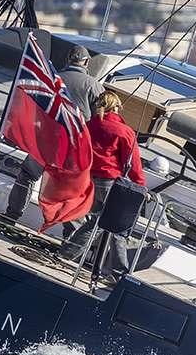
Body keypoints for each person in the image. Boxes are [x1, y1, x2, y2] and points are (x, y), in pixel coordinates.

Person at [0, 45, 105, 228]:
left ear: (68, 59)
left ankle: (11, 215)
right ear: (87, 62)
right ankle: (69, 232)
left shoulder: (53, 79)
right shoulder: (94, 86)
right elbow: (100, 121)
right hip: (73, 147)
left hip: (45, 141)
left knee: (27, 175)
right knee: (72, 191)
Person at [58, 90, 147, 276]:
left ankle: (118, 269)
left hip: (85, 178)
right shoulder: (124, 132)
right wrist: (140, 186)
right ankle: (68, 254)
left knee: (97, 219)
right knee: (105, 222)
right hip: (108, 183)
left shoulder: (88, 125)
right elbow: (133, 163)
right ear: (116, 108)